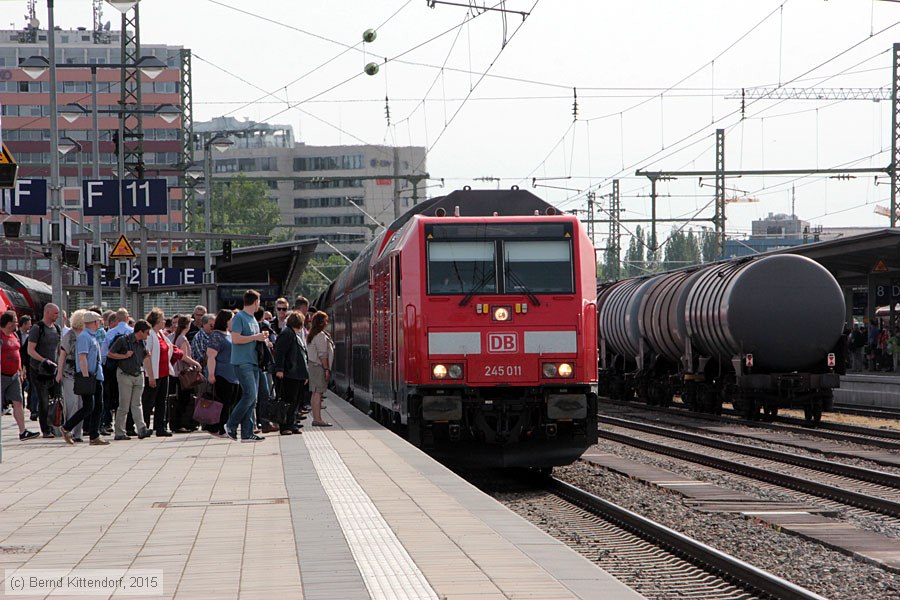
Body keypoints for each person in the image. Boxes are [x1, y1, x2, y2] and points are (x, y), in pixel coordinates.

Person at [225, 289, 268, 442]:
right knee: (250, 395)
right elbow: (236, 339)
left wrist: (262, 339)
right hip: (242, 362)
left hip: (253, 361)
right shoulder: (239, 318)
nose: (259, 305)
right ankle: (231, 424)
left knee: (253, 398)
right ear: (255, 302)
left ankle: (247, 433)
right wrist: (255, 337)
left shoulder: (253, 319)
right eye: (259, 302)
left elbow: (252, 339)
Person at [61, 311, 107, 446]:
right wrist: (86, 375)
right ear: (93, 322)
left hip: (96, 375)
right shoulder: (84, 337)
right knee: (88, 407)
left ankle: (94, 435)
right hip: (88, 376)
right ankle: (67, 427)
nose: (99, 323)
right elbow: (82, 357)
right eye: (98, 321)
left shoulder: (93, 336)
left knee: (98, 406)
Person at [108, 320, 153, 440]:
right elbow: (110, 354)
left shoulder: (142, 342)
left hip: (138, 374)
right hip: (125, 374)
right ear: (140, 331)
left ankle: (142, 429)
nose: (148, 335)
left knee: (137, 404)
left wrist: (146, 355)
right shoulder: (123, 340)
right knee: (124, 405)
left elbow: (139, 357)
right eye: (147, 332)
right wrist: (124, 355)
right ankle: (119, 432)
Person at [1, 311, 39, 440]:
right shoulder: (1, 336)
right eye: (16, 321)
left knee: (18, 401)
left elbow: (19, 353)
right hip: (1, 375)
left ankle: (23, 431)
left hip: (14, 375)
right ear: (9, 323)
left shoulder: (14, 336)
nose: (17, 323)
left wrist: (21, 369)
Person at [26, 303, 61, 438]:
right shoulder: (38, 328)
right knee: (44, 400)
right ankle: (45, 429)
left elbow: (58, 348)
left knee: (56, 399)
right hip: (39, 371)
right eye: (55, 313)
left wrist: (58, 364)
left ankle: (55, 425)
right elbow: (30, 350)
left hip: (53, 370)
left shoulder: (56, 328)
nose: (57, 316)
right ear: (47, 312)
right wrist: (43, 361)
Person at [272, 312, 308, 435]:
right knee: (287, 400)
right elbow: (280, 353)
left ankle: (291, 424)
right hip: (289, 373)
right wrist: (280, 369)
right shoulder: (286, 334)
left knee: (295, 401)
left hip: (297, 373)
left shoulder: (294, 335)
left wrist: (305, 375)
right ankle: (285, 426)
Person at [206, 309, 240, 437]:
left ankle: (226, 426)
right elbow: (211, 356)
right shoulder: (216, 335)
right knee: (223, 403)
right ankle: (220, 428)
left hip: (233, 374)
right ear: (225, 320)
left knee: (230, 402)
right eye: (232, 319)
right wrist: (211, 374)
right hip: (222, 374)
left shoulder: (229, 334)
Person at [57, 309, 87, 443]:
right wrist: (59, 373)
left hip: (81, 374)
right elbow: (62, 355)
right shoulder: (69, 335)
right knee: (72, 402)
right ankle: (69, 430)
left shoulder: (86, 334)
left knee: (81, 403)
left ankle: (77, 433)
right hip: (69, 373)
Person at [169, 315, 201, 433]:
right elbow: (184, 356)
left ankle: (177, 423)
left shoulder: (172, 336)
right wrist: (196, 364)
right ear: (187, 326)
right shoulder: (182, 339)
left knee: (179, 398)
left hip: (174, 371)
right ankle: (181, 423)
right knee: (184, 398)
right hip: (182, 372)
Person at [306, 311, 334, 427]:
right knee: (318, 393)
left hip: (314, 366)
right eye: (325, 320)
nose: (327, 323)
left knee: (315, 393)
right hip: (319, 367)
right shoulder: (320, 336)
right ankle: (317, 419)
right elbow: (323, 355)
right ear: (322, 322)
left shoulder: (313, 334)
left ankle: (316, 418)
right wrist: (327, 369)